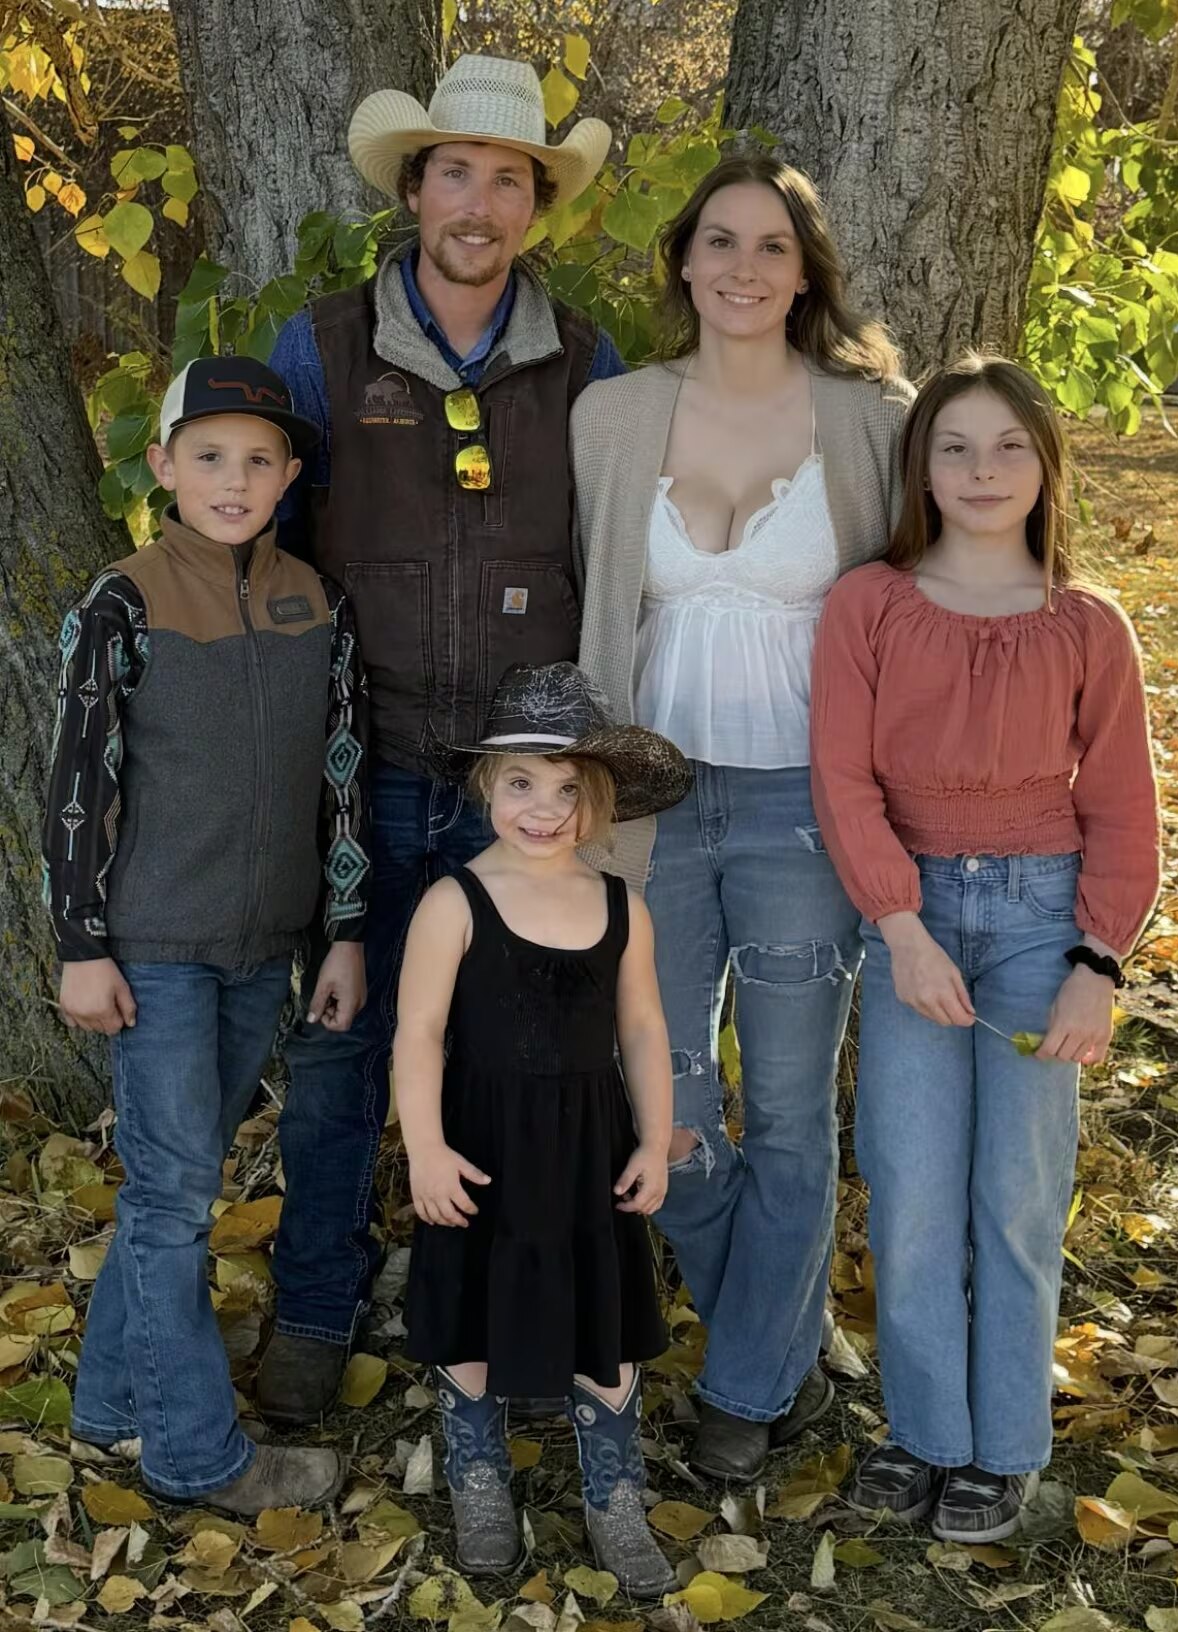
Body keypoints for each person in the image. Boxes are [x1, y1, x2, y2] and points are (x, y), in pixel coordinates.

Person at [261, 56, 629, 1423]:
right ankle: (315, 1306)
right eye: (455, 173)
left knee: (520, 1059)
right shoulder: (322, 348)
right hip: (364, 773)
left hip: (519, 788)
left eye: (509, 180)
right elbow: (264, 551)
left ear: (539, 205)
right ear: (414, 190)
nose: (479, 203)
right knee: (343, 1053)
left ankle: (495, 1318)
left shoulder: (586, 364)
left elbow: (622, 557)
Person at [570, 153, 913, 1479]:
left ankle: (744, 1394)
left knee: (787, 1109)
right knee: (661, 1102)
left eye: (774, 246)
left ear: (807, 273)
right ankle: (775, 1346)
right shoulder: (613, 417)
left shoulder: (870, 422)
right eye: (720, 240)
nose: (744, 268)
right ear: (683, 259)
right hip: (648, 804)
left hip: (804, 813)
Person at [810, 354, 1160, 1541]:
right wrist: (899, 928)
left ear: (1045, 466)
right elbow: (842, 781)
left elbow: (1123, 807)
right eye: (953, 447)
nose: (981, 470)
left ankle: (1004, 1448)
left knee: (1017, 1196)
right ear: (920, 468)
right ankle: (923, 1433)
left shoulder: (1086, 622)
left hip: (1040, 921)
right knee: (909, 1189)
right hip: (908, 915)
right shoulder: (868, 604)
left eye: (1009, 446)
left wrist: (1096, 964)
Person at [43, 357, 370, 1513]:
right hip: (153, 948)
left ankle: (106, 1408)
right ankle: (198, 1458)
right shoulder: (123, 602)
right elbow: (76, 780)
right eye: (210, 456)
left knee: (175, 1188)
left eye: (259, 460)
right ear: (163, 465)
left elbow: (342, 781)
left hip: (263, 949)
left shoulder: (318, 603)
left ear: (288, 477)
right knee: (175, 1199)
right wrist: (81, 944)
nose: (234, 480)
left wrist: (341, 935)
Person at [394, 662, 691, 1595]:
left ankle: (615, 1495)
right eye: (522, 783)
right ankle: (479, 1479)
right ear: (488, 785)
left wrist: (653, 1140)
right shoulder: (454, 903)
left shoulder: (621, 905)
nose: (544, 809)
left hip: (588, 1144)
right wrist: (426, 1149)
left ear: (598, 802)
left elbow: (643, 1027)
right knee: (472, 1304)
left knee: (603, 1308)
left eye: (568, 790)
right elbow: (419, 1033)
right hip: (480, 1144)